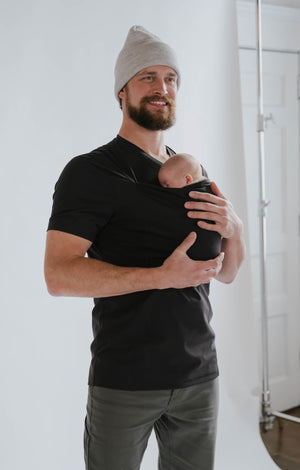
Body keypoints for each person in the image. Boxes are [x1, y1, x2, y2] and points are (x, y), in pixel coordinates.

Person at [44, 25, 246, 470]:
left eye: (171, 78)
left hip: (199, 378)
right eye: (147, 77)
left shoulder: (193, 171)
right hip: (125, 381)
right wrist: (161, 277)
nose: (162, 88)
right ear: (122, 91)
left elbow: (227, 272)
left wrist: (237, 227)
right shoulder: (89, 172)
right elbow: (58, 276)